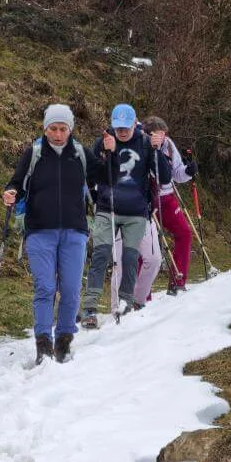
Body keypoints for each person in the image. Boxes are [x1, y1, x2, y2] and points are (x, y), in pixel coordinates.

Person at [2, 103, 91, 364]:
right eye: (53, 128)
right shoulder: (34, 153)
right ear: (45, 128)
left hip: (75, 231)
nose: (58, 134)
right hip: (39, 230)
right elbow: (16, 182)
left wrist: (109, 154)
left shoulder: (81, 154)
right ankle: (43, 344)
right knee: (45, 287)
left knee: (72, 289)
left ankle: (64, 340)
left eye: (63, 129)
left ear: (70, 129)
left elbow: (101, 177)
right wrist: (10, 193)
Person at [80, 103, 170, 328]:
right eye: (117, 127)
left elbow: (165, 178)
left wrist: (158, 150)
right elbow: (91, 173)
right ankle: (90, 308)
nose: (121, 132)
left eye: (125, 127)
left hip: (136, 212)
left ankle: (126, 303)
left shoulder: (145, 143)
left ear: (134, 123)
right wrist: (106, 155)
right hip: (106, 208)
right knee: (101, 255)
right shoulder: (103, 141)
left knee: (130, 259)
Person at [145, 116, 196, 292]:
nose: (163, 137)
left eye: (164, 133)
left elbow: (177, 173)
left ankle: (178, 281)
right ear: (149, 133)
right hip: (148, 198)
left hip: (167, 197)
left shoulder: (168, 144)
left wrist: (188, 171)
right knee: (146, 246)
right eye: (159, 134)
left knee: (184, 232)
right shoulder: (142, 145)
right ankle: (142, 294)